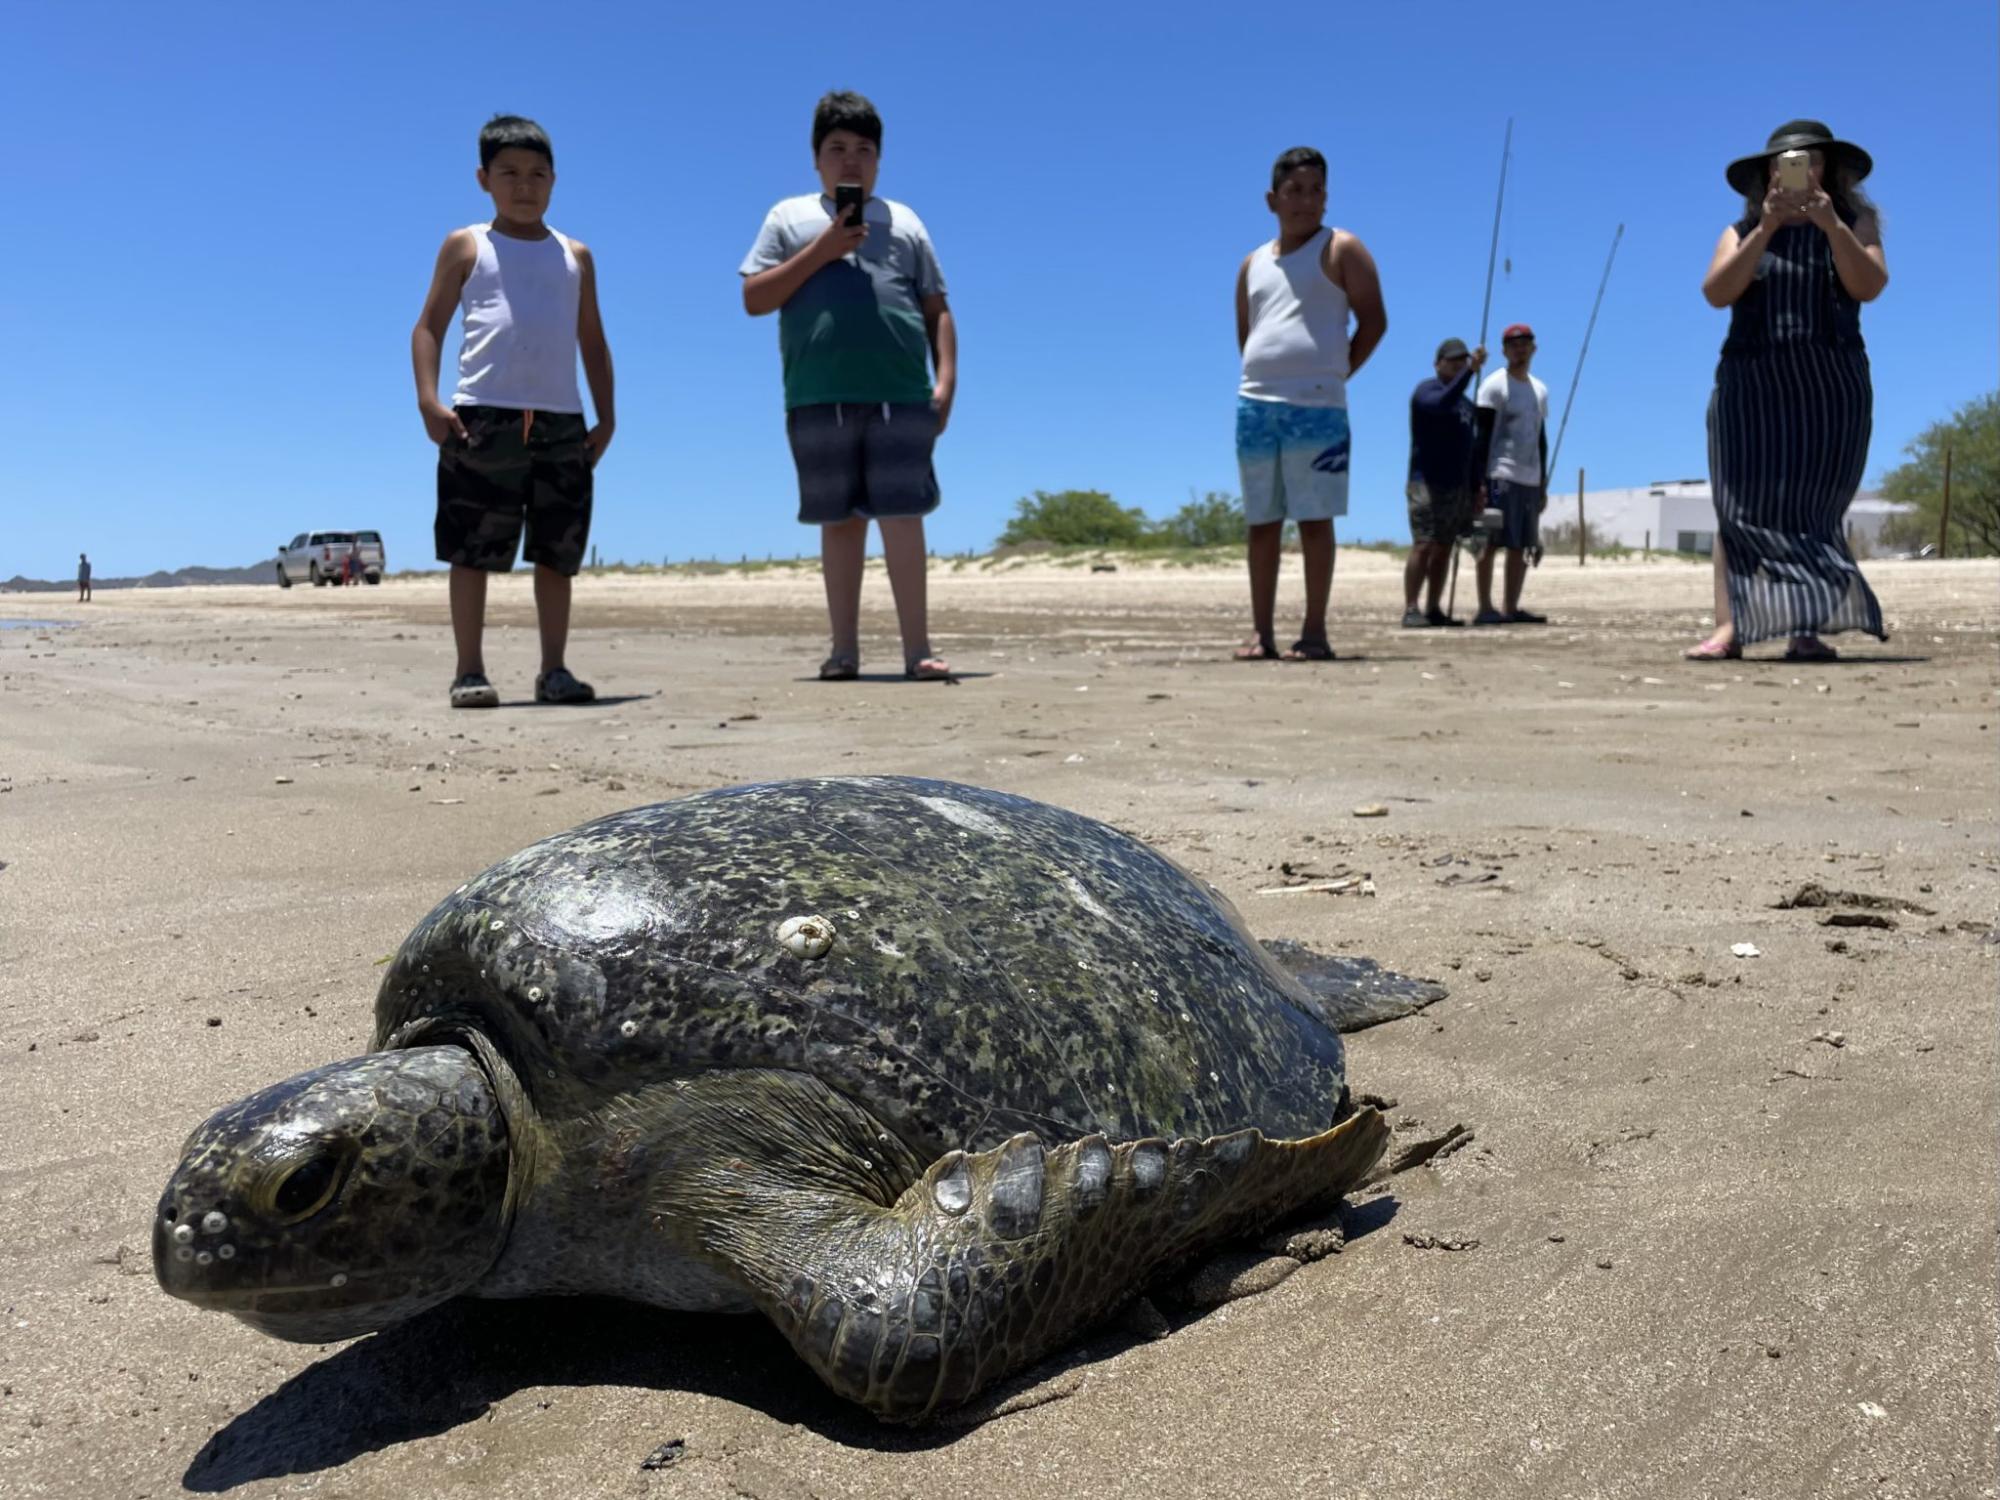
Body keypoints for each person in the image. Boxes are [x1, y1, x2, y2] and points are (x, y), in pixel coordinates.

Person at [740, 91, 956, 682]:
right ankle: (843, 651)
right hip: (817, 394)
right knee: (839, 523)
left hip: (903, 393)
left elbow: (937, 308)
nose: (851, 161)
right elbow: (754, 298)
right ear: (816, 159)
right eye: (837, 149)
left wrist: (947, 382)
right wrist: (823, 250)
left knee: (904, 517)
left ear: (880, 159)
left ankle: (919, 650)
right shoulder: (787, 217)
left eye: (864, 149)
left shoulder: (905, 221)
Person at [411, 114, 615, 709]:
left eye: (537, 174)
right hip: (481, 417)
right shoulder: (467, 245)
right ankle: (469, 671)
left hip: (560, 420)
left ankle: (554, 670)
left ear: (554, 180)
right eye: (510, 174)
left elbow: (593, 342)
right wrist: (429, 400)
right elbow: (428, 327)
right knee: (471, 549)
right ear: (484, 179)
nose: (524, 186)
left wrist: (607, 417)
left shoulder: (575, 254)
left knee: (558, 552)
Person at [1686, 119, 1888, 662]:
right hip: (1751, 382)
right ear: (1769, 173)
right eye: (1786, 161)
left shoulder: (1856, 220)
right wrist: (1768, 228)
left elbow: (1867, 285)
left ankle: (1805, 628)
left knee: (1814, 505)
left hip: (1829, 383)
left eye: (1810, 160)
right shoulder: (1741, 228)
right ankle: (1731, 629)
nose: (1798, 169)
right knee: (1738, 504)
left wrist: (1830, 227)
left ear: (1829, 169)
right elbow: (1717, 292)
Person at [1232, 147, 1387, 662]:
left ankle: (1314, 631)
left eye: (1316, 190)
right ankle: (1261, 633)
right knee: (1262, 521)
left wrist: (1335, 372)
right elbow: (1247, 333)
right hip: (1256, 404)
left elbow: (1374, 322)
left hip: (1317, 408)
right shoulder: (1252, 263)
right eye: (1295, 191)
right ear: (1272, 199)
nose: (1306, 201)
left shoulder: (1342, 248)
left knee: (1315, 519)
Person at [1470, 324, 1550, 625]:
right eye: (1513, 345)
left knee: (1521, 543)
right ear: (1504, 350)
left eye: (1525, 344)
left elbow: (1541, 436)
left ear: (1534, 348)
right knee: (1489, 541)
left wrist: (1542, 482)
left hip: (1529, 478)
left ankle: (1511, 606)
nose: (1520, 349)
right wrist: (1478, 480)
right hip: (1498, 475)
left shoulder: (1540, 390)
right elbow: (1482, 436)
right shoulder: (1494, 386)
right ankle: (1484, 606)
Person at [1403, 338, 1486, 627]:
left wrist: (1477, 485)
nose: (1458, 365)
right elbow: (1440, 404)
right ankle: (1411, 607)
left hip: (1457, 485)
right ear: (1437, 363)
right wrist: (1470, 373)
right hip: (1426, 482)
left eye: (1462, 361)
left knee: (1444, 547)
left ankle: (1434, 608)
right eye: (1452, 361)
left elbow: (1471, 447)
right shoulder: (1426, 391)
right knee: (1423, 544)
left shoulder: (1466, 405)